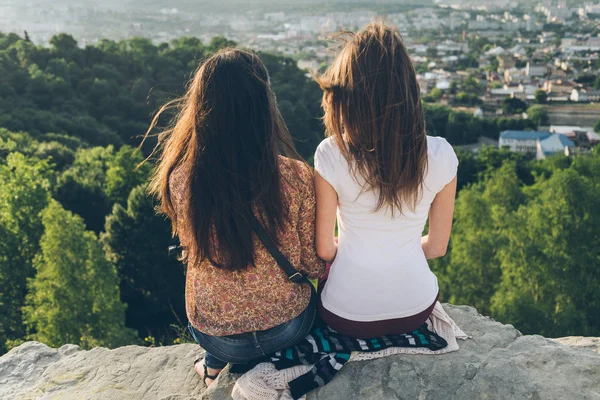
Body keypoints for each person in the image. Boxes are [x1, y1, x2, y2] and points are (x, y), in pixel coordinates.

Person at [146, 48, 325, 386]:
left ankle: (213, 367)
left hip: (216, 337)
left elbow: (193, 252)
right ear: (263, 107)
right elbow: (312, 267)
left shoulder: (180, 180)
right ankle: (274, 362)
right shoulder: (298, 177)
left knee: (211, 297)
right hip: (288, 328)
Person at [313, 22, 458, 339]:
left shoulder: (330, 155)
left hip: (344, 314)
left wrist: (356, 253)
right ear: (408, 89)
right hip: (415, 308)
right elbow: (437, 246)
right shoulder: (442, 156)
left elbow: (324, 249)